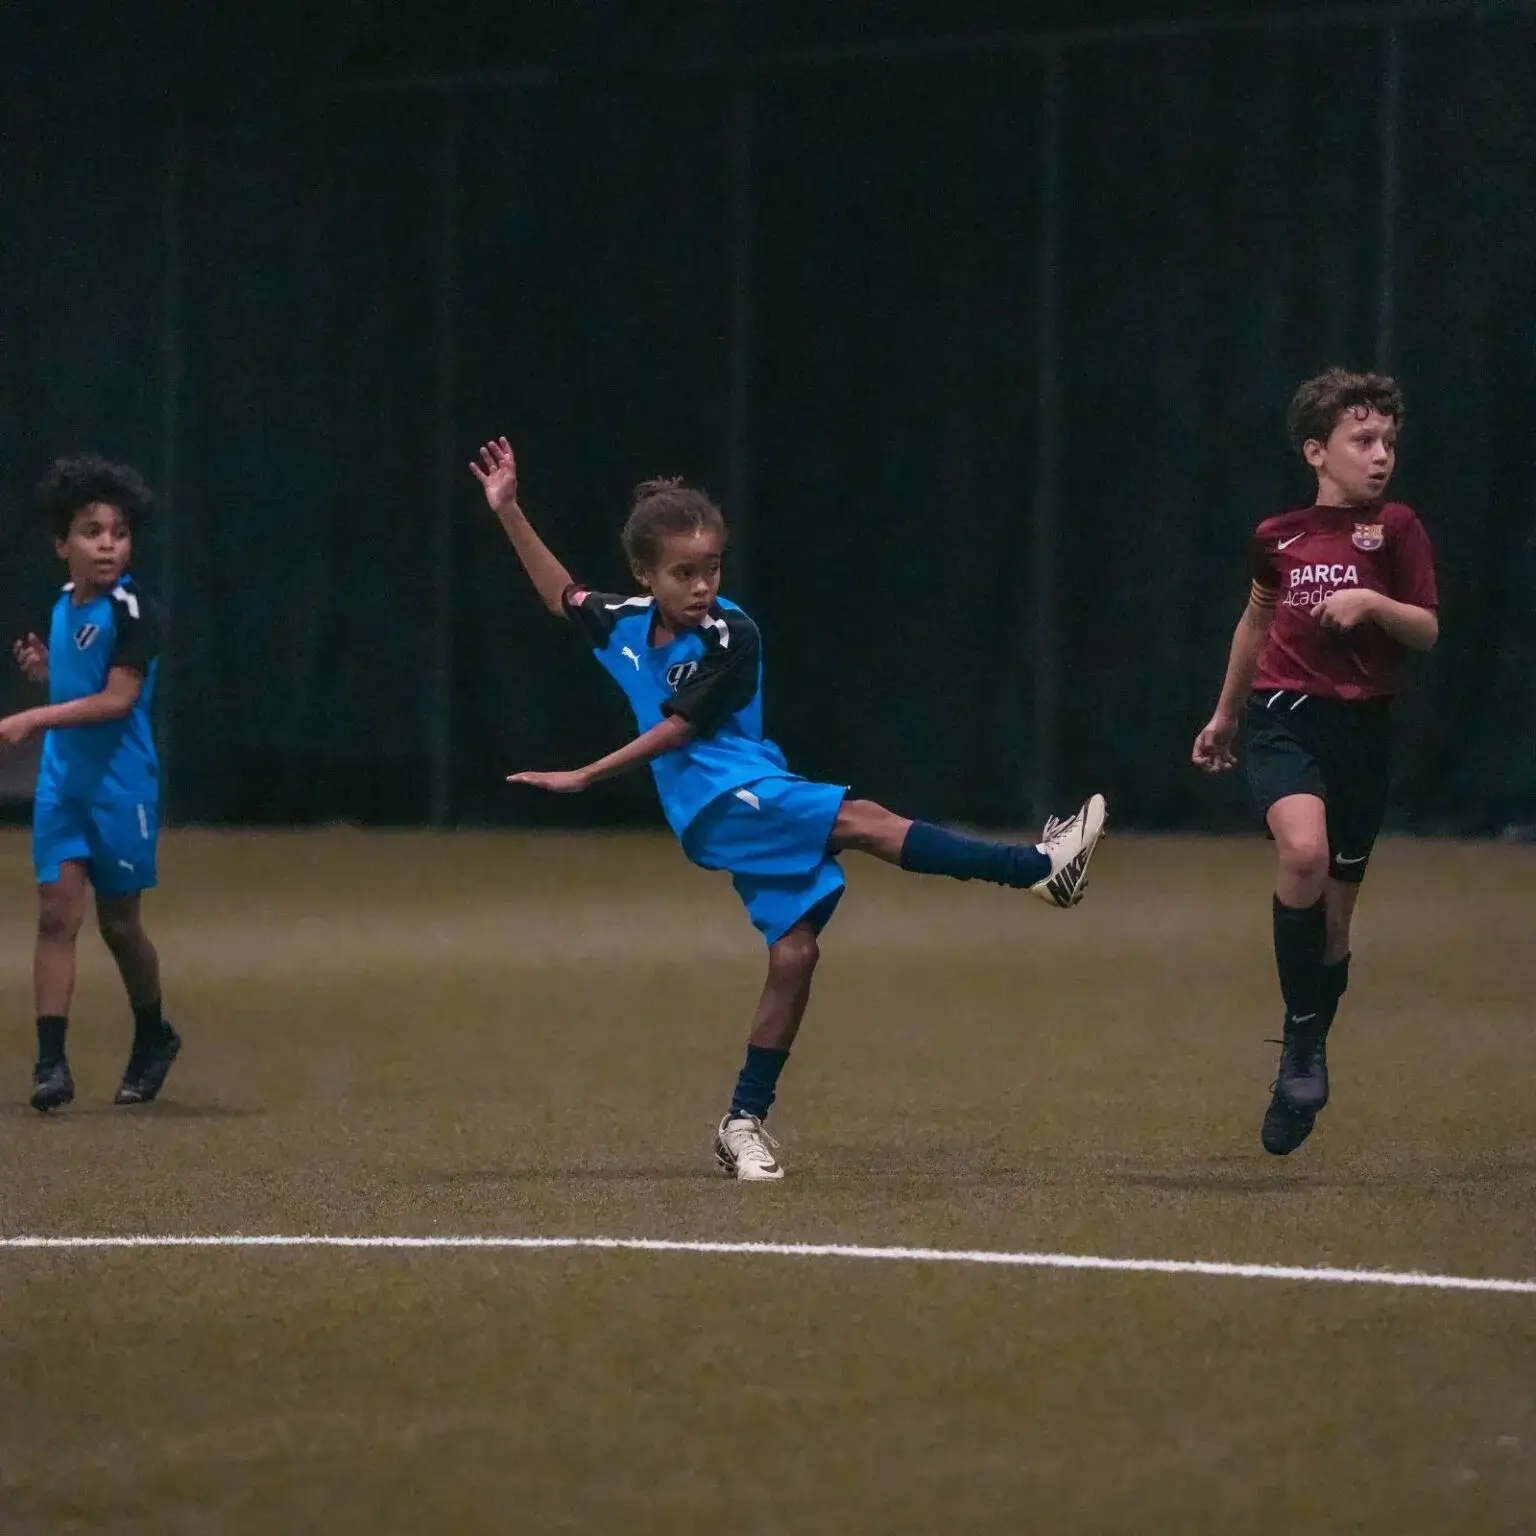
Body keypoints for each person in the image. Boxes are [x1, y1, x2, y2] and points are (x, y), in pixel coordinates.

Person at [472, 437, 1106, 1180]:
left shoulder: (731, 632)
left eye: (712, 567)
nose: (703, 584)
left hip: (746, 788)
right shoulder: (624, 621)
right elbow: (564, 596)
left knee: (795, 953)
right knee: (859, 818)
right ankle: (1035, 867)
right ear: (645, 574)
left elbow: (683, 721)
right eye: (683, 572)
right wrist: (510, 510)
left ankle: (742, 1123)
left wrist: (585, 774)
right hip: (718, 800)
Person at [1193, 370, 1438, 1155]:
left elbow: (1427, 630)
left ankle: (1306, 1051)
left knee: (1333, 929)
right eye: (1362, 441)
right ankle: (1301, 1049)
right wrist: (1227, 713)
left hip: (1363, 735)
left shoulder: (1397, 529)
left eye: (1388, 443)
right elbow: (1255, 622)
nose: (1379, 457)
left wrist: (1371, 605)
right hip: (1283, 719)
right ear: (1316, 451)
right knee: (1303, 851)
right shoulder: (1280, 535)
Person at [2, 455, 179, 1112]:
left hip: (121, 790)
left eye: (119, 532)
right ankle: (51, 1064)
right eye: (92, 530)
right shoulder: (63, 605)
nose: (108, 544)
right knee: (55, 917)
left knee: (120, 928)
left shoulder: (135, 610)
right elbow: (81, 682)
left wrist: (30, 717)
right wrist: (49, 672)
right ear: (62, 545)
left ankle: (154, 1034)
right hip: (63, 788)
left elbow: (114, 701)